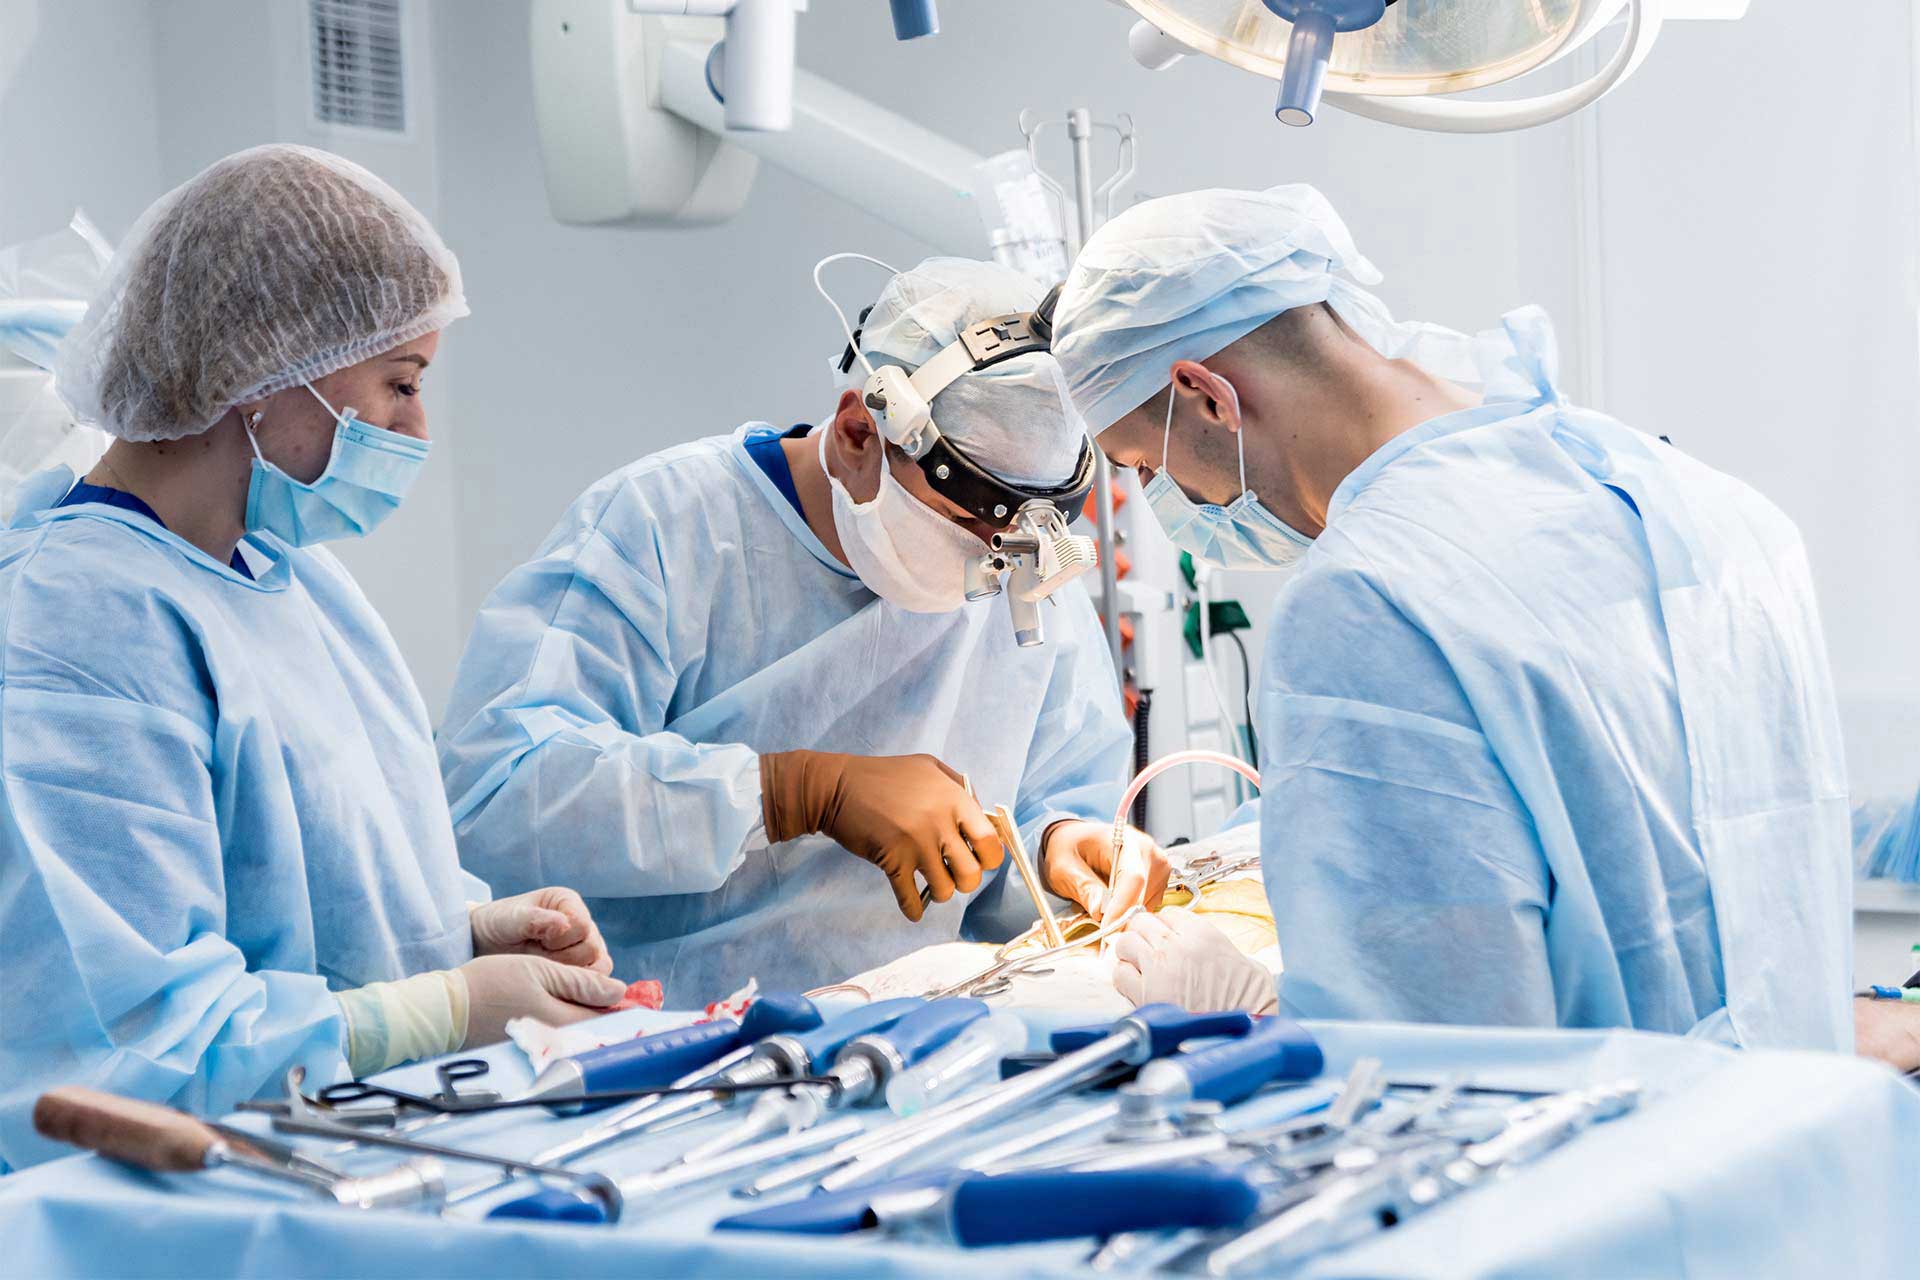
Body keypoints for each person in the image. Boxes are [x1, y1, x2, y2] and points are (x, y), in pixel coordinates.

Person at [1054, 185, 1852, 1051]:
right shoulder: (1692, 495)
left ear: (1206, 395)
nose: (1168, 501)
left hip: (1608, 1159)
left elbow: (1428, 1052)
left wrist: (1239, 1021)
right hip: (1798, 1131)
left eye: (1144, 464)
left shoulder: (1367, 596)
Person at [0, 146, 624, 1171]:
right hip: (175, 1217)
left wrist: (464, 932)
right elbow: (129, 1049)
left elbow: (304, 884)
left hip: (340, 1156)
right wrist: (440, 1009)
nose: (417, 426)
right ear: (261, 367)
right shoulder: (75, 624)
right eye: (400, 380)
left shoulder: (290, 577)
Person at [438, 257, 1166, 1002]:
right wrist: (791, 791)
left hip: (916, 1024)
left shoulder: (1020, 565)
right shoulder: (666, 527)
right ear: (858, 433)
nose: (994, 572)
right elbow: (497, 790)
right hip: (661, 1036)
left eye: (1013, 546)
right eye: (967, 528)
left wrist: (1054, 845)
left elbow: (1048, 793)